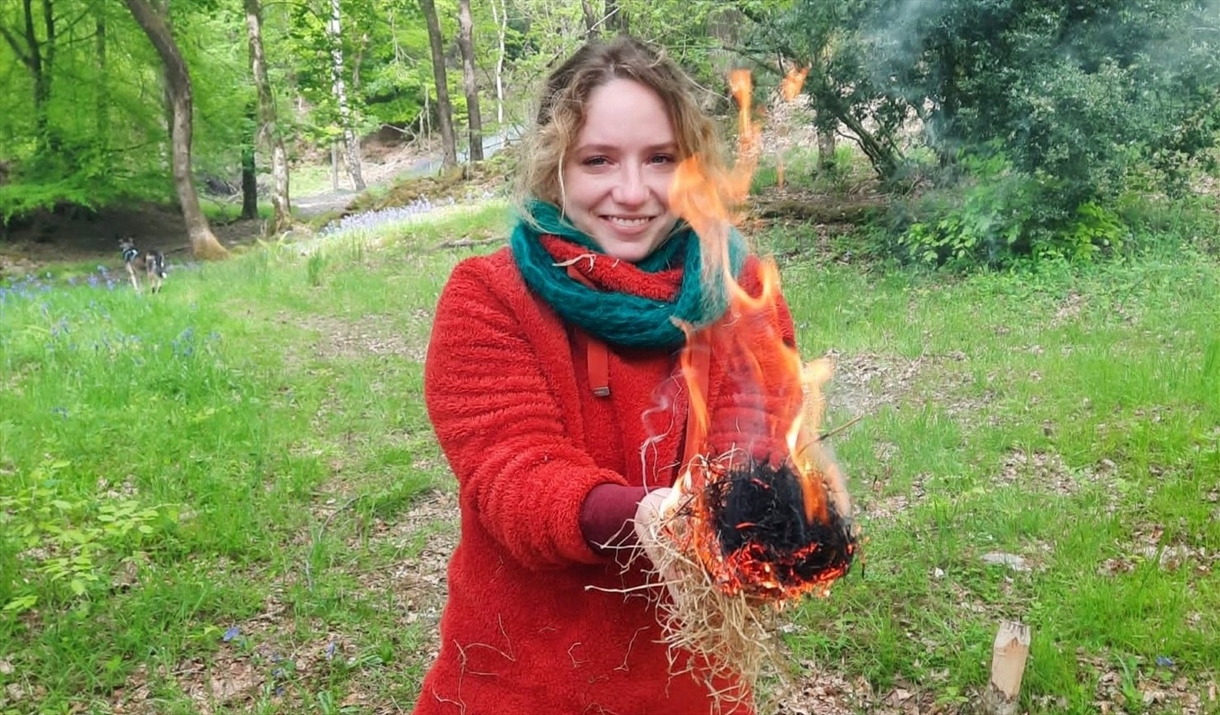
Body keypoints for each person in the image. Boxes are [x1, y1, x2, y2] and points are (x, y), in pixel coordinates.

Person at [413, 35, 798, 715]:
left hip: (691, 687)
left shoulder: (741, 289)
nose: (633, 192)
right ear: (553, 167)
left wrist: (779, 519)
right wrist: (648, 517)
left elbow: (758, 450)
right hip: (520, 682)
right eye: (597, 160)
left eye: (660, 159)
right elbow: (511, 475)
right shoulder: (489, 296)